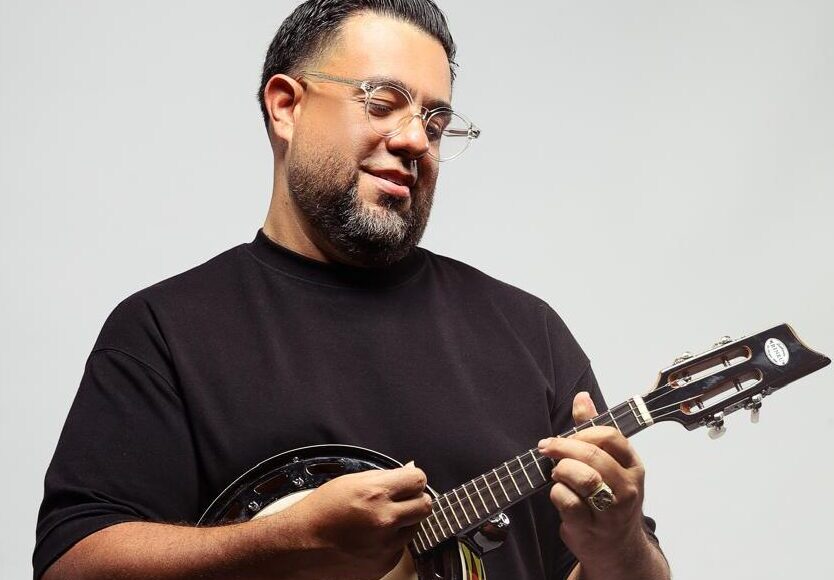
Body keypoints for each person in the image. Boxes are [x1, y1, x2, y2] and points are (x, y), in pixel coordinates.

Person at [35, 1, 671, 579]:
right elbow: (70, 565)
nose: (415, 140)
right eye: (383, 102)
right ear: (286, 106)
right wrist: (289, 539)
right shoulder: (165, 330)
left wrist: (619, 549)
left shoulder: (529, 333)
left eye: (435, 122)